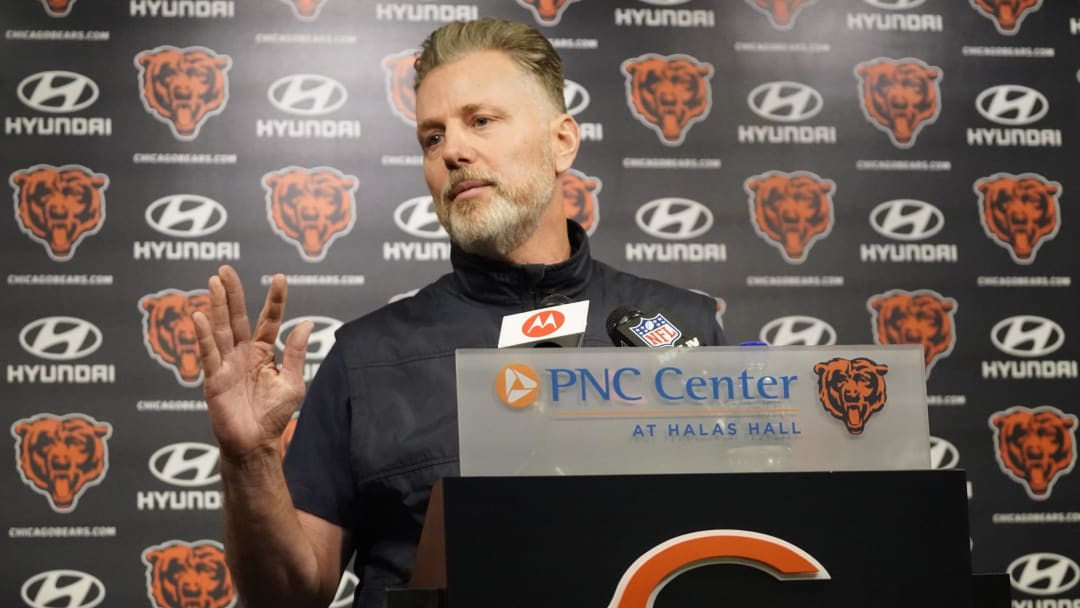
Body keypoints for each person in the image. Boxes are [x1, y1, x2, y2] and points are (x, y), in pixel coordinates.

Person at [193, 17, 727, 608]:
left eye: (480, 121)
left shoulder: (687, 330)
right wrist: (248, 460)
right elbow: (288, 596)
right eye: (431, 137)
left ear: (562, 142)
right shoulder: (365, 358)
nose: (453, 151)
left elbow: (754, 542)